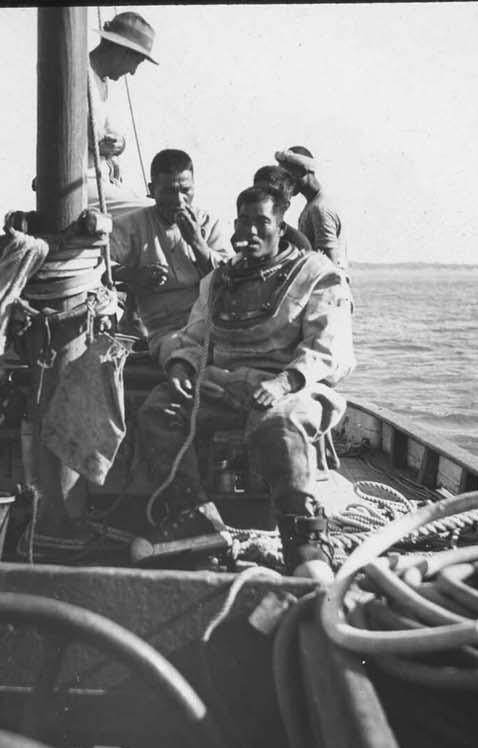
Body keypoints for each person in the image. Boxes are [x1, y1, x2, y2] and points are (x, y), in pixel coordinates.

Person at [133, 185, 355, 575]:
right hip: (225, 386)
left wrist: (284, 383)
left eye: (262, 223)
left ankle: (302, 540)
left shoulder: (317, 274)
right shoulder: (218, 280)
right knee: (159, 408)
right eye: (244, 223)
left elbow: (330, 350)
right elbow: (194, 335)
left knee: (279, 423)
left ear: (281, 226)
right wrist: (181, 364)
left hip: (293, 387)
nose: (250, 232)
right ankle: (197, 519)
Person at [110, 149, 232, 359]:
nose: (179, 200)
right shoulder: (131, 225)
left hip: (210, 322)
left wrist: (196, 242)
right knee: (181, 355)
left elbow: (228, 279)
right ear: (151, 190)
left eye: (186, 190)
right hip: (163, 330)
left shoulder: (208, 223)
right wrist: (132, 275)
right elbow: (97, 265)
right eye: (168, 191)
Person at [86, 11, 159, 218]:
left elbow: (105, 134)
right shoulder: (78, 73)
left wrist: (120, 144)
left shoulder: (100, 79)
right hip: (80, 184)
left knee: (157, 206)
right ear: (121, 51)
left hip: (102, 180)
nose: (134, 72)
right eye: (137, 62)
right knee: (156, 213)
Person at [275, 146, 349, 274]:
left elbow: (329, 266)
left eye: (288, 177)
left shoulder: (320, 209)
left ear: (303, 171)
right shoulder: (315, 205)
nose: (284, 184)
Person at [251, 165, 314, 254]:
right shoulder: (244, 233)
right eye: (259, 192)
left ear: (285, 205)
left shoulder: (298, 244)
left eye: (272, 195)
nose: (263, 199)